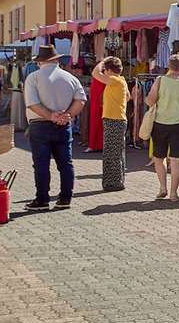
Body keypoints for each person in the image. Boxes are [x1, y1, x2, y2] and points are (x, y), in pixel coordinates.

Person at [23, 45, 86, 210]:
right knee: (66, 163)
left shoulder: (33, 77)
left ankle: (42, 199)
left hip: (39, 125)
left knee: (41, 163)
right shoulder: (70, 77)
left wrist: (51, 116)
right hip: (63, 125)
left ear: (40, 62)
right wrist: (68, 115)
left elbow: (32, 104)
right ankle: (66, 198)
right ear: (57, 60)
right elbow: (81, 100)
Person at [144, 51, 179, 200]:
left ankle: (162, 187)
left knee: (159, 157)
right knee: (176, 159)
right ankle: (173, 193)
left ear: (169, 66)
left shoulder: (160, 80)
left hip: (160, 123)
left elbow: (151, 100)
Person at [91, 55, 130, 191]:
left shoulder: (115, 80)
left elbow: (95, 73)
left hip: (114, 120)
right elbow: (128, 97)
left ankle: (114, 183)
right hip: (117, 119)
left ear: (108, 70)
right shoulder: (121, 81)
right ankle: (115, 181)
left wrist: (102, 61)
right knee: (116, 152)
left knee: (111, 153)